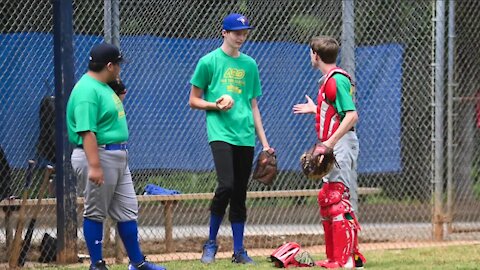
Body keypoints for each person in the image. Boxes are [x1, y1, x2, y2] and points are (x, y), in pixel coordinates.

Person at [66, 43, 165, 270]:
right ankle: (97, 264)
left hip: (117, 156)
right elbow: (86, 130)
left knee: (127, 210)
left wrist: (118, 93)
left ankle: (137, 263)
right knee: (96, 212)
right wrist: (95, 166)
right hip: (98, 155)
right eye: (118, 65)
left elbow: (106, 118)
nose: (120, 68)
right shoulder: (86, 90)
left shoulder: (103, 86)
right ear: (109, 66)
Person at [189, 13, 273, 265]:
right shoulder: (209, 61)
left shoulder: (250, 65)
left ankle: (238, 250)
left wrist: (265, 142)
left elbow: (253, 105)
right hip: (220, 133)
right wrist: (215, 105)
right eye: (236, 32)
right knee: (225, 185)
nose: (241, 36)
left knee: (239, 193)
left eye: (244, 32)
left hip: (245, 134)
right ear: (224, 33)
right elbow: (193, 100)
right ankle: (211, 243)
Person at [293, 36, 366, 269]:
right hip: (335, 143)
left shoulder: (336, 81)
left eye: (310, 52)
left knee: (337, 199)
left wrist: (329, 144)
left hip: (340, 143)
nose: (309, 56)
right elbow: (336, 111)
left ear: (315, 54)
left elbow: (351, 115)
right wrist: (317, 109)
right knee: (327, 198)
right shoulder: (327, 81)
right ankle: (335, 258)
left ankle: (348, 260)